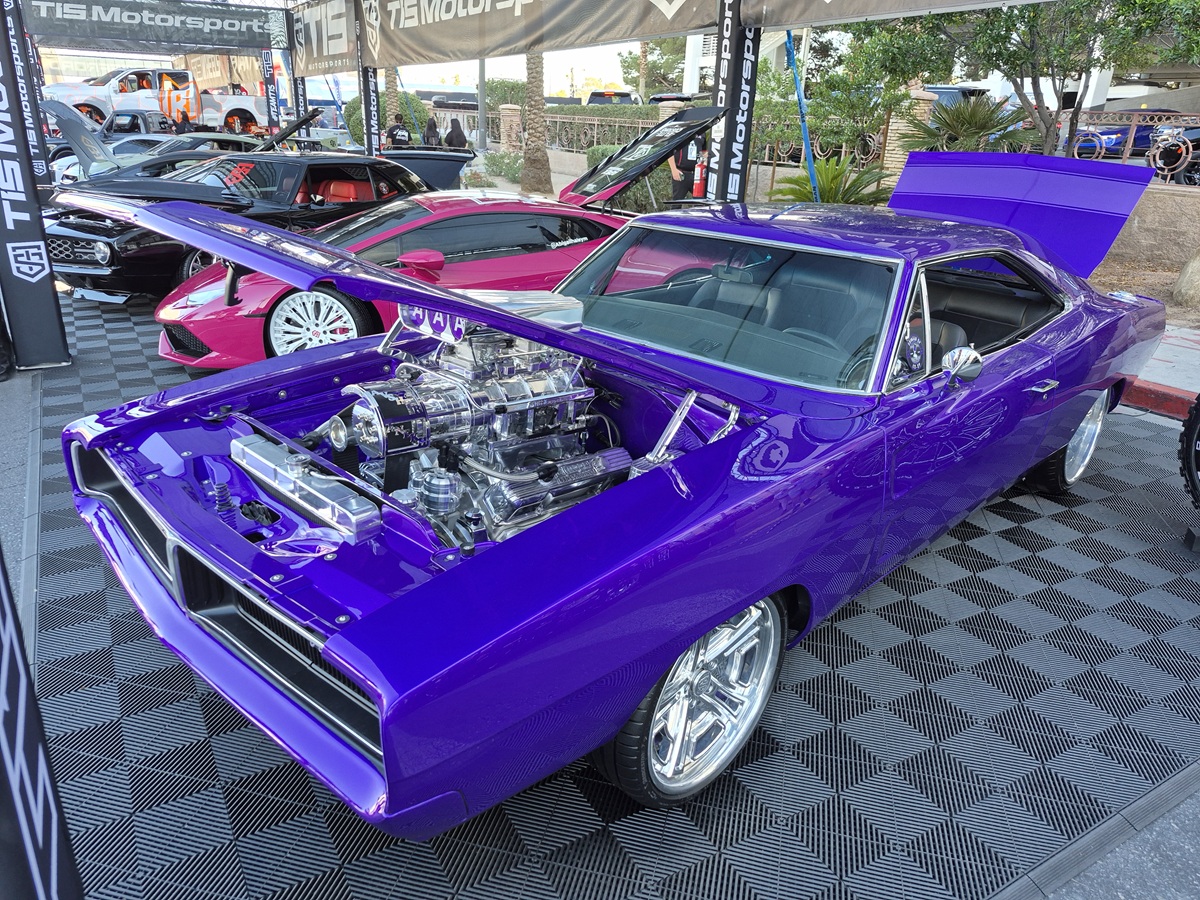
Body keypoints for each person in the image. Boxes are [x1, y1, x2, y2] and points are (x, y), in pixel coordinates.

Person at [668, 133, 706, 201]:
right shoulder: (681, 131)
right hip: (681, 173)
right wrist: (674, 170)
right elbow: (669, 151)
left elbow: (703, 151)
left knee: (700, 201)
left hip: (696, 174)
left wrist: (703, 170)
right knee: (677, 202)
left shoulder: (702, 132)